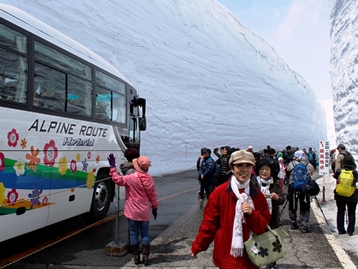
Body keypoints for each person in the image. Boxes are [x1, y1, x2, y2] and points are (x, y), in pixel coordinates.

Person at [191, 150, 271, 269]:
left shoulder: (257, 195)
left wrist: (251, 215)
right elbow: (209, 223)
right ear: (232, 168)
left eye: (248, 165)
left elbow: (262, 226)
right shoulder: (219, 193)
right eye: (239, 165)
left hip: (250, 257)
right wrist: (199, 245)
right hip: (225, 255)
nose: (244, 170)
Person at [108, 154, 158, 265]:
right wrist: (155, 207)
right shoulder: (150, 180)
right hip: (144, 212)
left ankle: (136, 256)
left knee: (133, 233)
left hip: (132, 212)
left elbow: (117, 179)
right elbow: (153, 196)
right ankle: (146, 256)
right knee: (145, 234)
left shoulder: (131, 178)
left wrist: (112, 167)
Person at [255, 158, 285, 269]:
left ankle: (271, 264)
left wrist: (277, 198)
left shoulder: (275, 183)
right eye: (262, 169)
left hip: (272, 218)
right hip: (256, 217)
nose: (264, 172)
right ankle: (255, 261)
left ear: (271, 171)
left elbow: (282, 199)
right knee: (255, 240)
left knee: (272, 241)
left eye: (267, 169)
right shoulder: (253, 183)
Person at [286, 150, 314, 233]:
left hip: (293, 187)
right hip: (305, 188)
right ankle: (304, 225)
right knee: (305, 206)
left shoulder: (292, 164)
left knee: (292, 205)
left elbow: (287, 171)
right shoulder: (308, 165)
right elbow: (312, 171)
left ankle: (293, 223)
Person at [333, 153, 358, 236]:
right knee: (351, 213)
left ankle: (341, 229)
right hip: (352, 196)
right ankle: (350, 230)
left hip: (340, 195)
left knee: (340, 212)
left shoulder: (339, 171)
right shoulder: (354, 173)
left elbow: (335, 176)